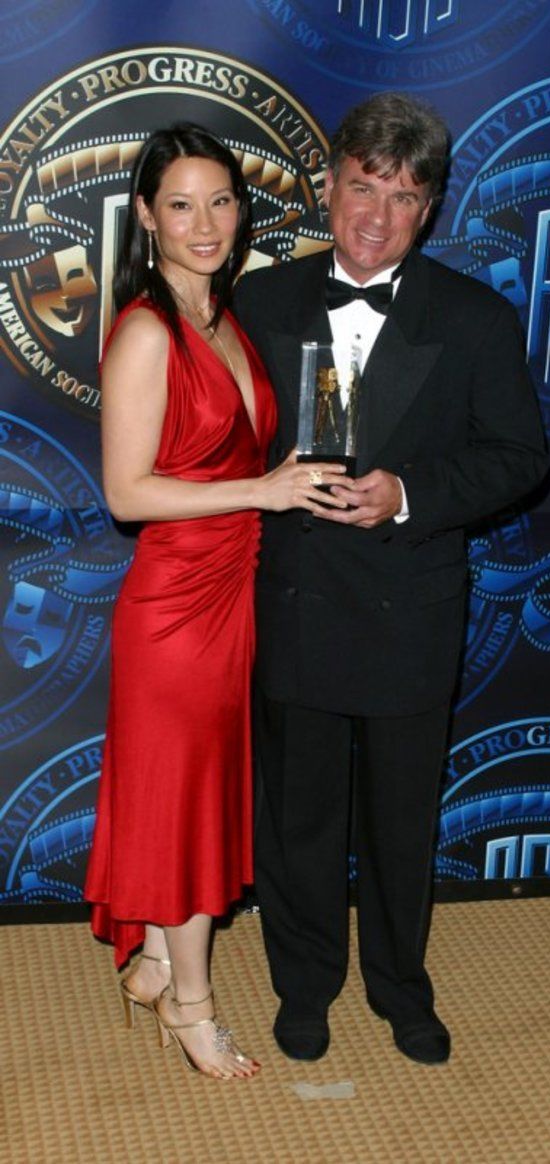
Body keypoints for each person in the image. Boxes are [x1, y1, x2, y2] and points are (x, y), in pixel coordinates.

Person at [233, 92, 548, 1065]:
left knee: (401, 821)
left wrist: (409, 492)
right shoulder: (258, 303)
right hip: (294, 599)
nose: (377, 215)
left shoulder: (476, 317)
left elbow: (520, 458)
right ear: (328, 187)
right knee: (299, 817)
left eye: (404, 197)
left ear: (431, 210)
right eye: (364, 187)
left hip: (409, 607)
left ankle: (401, 986)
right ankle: (303, 985)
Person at [84, 123, 347, 1080]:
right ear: (146, 217)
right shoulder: (148, 331)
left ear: (242, 212)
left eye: (222, 202)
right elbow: (127, 493)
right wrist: (261, 490)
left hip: (233, 588)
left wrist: (290, 476)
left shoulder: (224, 318)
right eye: (181, 205)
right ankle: (191, 1004)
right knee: (190, 802)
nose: (205, 224)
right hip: (175, 607)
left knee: (191, 794)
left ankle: (159, 962)